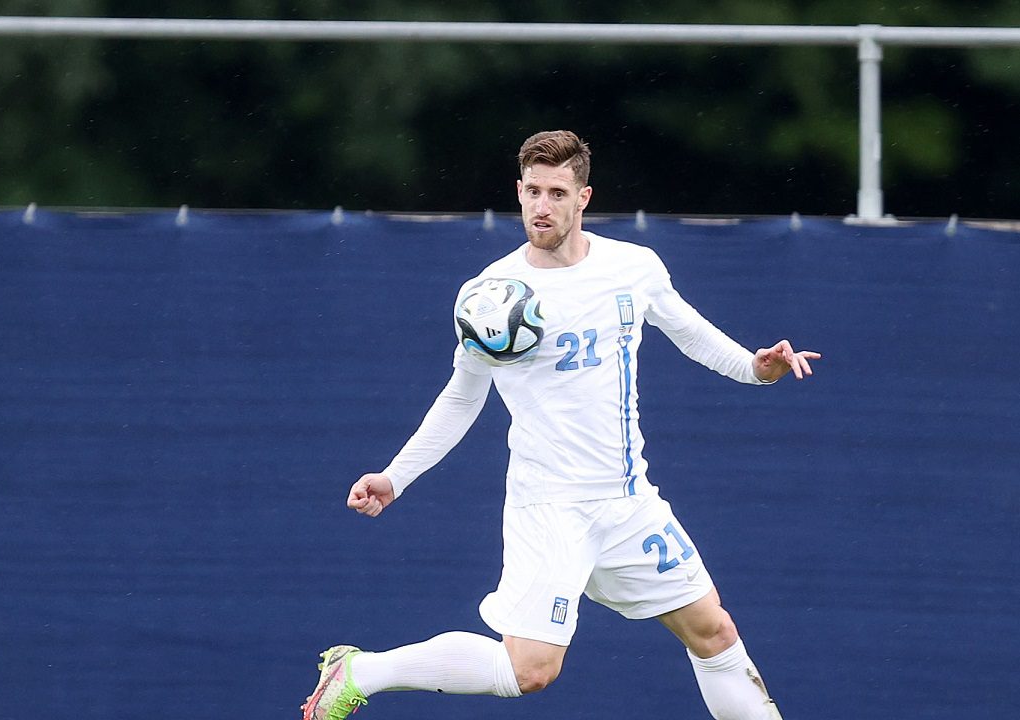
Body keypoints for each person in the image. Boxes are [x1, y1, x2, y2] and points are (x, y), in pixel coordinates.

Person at [302, 130, 820, 720]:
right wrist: (395, 477)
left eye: (556, 193)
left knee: (714, 632)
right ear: (518, 192)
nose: (541, 206)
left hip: (627, 501)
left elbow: (693, 335)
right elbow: (462, 397)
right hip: (549, 507)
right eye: (532, 191)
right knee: (531, 671)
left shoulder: (633, 268)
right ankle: (361, 671)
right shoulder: (491, 297)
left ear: (583, 198)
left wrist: (756, 368)